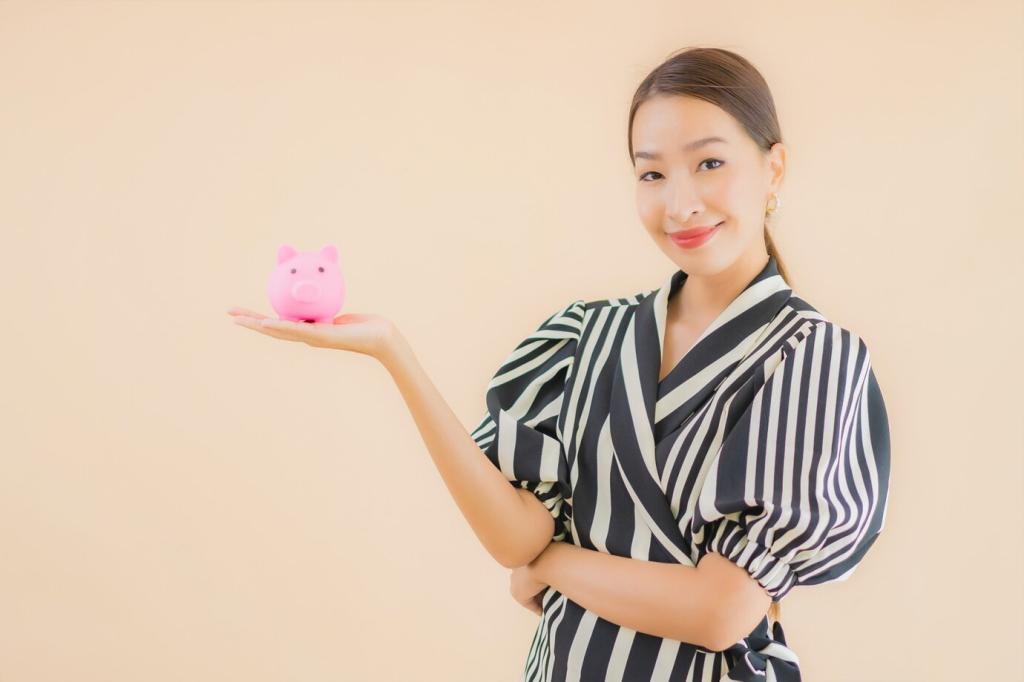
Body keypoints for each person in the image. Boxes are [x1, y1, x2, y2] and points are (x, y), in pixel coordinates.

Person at [227, 46, 891, 682]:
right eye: (652, 174)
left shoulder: (813, 357)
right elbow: (514, 537)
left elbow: (719, 614)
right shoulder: (584, 334)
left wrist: (553, 565)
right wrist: (392, 353)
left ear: (774, 168)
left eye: (710, 163)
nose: (680, 203)